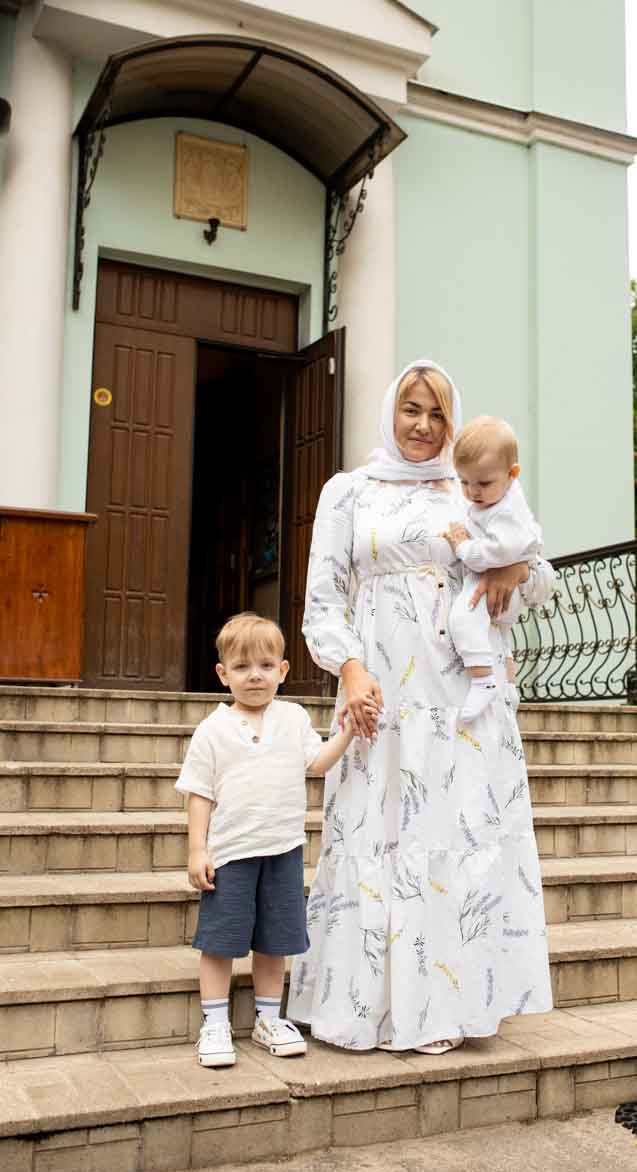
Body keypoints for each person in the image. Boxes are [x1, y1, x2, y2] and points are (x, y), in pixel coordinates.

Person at [288, 360, 554, 1054]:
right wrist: (349, 670)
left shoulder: (470, 488)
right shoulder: (349, 492)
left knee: (452, 840)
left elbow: (541, 573)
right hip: (382, 694)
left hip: (460, 698)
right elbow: (322, 600)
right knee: (377, 833)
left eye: (438, 413)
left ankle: (446, 1009)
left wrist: (514, 568)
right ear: (390, 411)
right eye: (412, 409)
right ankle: (363, 1006)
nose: (424, 426)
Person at [176, 612, 360, 1068]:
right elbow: (199, 793)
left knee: (275, 942)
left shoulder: (293, 718)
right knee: (220, 942)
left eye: (264, 665)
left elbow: (316, 763)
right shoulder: (212, 730)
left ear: (282, 670)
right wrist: (197, 849)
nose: (253, 675)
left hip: (283, 850)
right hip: (232, 855)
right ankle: (215, 1024)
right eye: (241, 667)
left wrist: (349, 731)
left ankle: (267, 1018)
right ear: (223, 674)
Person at [444, 415, 545, 722]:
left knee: (463, 618)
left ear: (512, 474)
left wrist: (462, 546)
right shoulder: (500, 496)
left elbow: (496, 552)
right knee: (500, 634)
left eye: (483, 483)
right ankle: (508, 683)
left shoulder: (505, 512)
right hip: (499, 592)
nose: (473, 492)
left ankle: (484, 679)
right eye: (464, 482)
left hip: (494, 585)